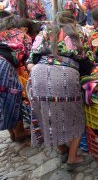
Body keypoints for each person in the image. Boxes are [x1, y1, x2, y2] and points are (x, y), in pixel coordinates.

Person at [26, 11, 94, 170]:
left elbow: (30, 61)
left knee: (49, 115)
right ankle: (72, 158)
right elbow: (89, 60)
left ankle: (62, 148)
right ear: (73, 20)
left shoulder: (45, 31)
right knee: (76, 116)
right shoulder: (79, 31)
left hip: (38, 73)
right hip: (66, 73)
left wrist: (43, 71)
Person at [0, 12, 39, 142]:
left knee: (2, 100)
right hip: (3, 66)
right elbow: (29, 60)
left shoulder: (2, 34)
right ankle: (20, 132)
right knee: (12, 96)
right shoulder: (23, 36)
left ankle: (12, 133)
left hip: (4, 65)